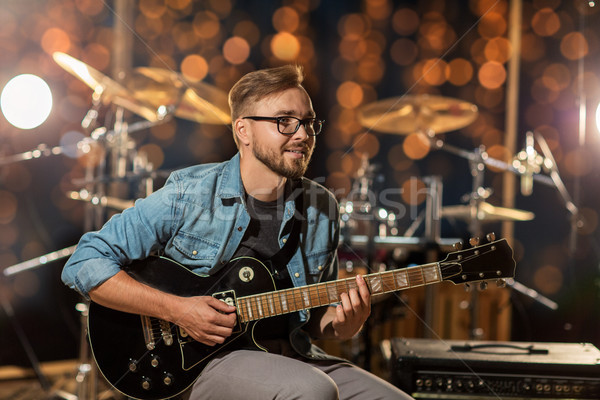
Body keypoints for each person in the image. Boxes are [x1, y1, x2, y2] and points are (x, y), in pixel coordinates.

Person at [62, 64, 413, 400]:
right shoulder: (190, 194)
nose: (303, 135)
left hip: (294, 356)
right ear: (243, 130)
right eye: (285, 122)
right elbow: (83, 262)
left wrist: (344, 325)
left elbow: (312, 316)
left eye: (307, 122)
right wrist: (177, 310)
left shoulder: (323, 207)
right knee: (313, 391)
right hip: (200, 364)